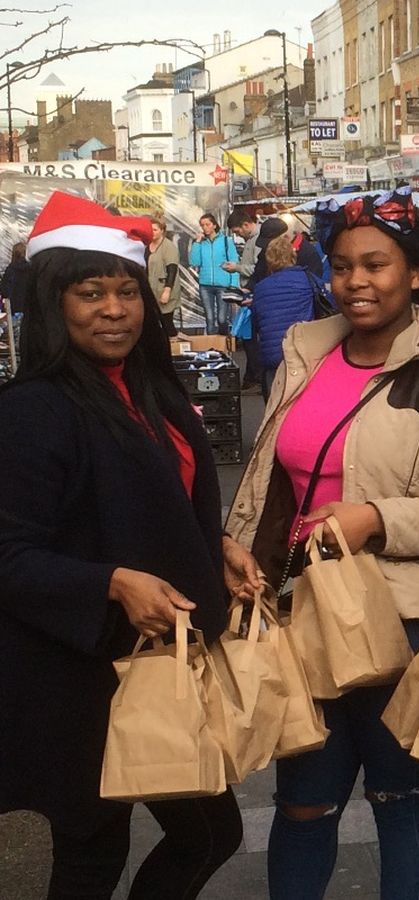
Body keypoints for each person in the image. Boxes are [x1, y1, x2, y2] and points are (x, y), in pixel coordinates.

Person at [223, 186, 419, 900]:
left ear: (414, 274)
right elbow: (269, 474)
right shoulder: (303, 357)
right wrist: (235, 542)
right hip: (300, 604)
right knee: (303, 800)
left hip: (397, 615)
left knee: (400, 796)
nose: (356, 282)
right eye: (342, 267)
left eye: (376, 265)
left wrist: (376, 517)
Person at [0, 191, 243, 899]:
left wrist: (216, 542)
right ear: (55, 303)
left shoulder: (149, 389)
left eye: (126, 291)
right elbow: (10, 554)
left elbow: (150, 500)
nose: (114, 310)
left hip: (153, 666)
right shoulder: (33, 410)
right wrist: (110, 582)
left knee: (207, 834)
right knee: (94, 851)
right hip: (76, 678)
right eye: (90, 294)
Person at [252, 232, 327, 399]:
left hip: (273, 357)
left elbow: (256, 323)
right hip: (302, 353)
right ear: (293, 256)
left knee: (275, 404)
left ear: (269, 260)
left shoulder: (260, 287)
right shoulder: (308, 279)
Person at [224, 210, 264, 391]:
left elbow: (257, 268)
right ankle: (252, 376)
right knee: (248, 337)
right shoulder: (251, 240)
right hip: (248, 291)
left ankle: (255, 377)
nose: (238, 235)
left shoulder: (258, 241)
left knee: (251, 338)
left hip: (253, 293)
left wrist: (237, 268)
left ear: (246, 225)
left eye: (237, 231)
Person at [187, 211, 239, 334]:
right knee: (209, 319)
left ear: (214, 225)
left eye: (207, 224)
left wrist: (233, 284)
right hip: (205, 285)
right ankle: (212, 344)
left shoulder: (226, 241)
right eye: (202, 225)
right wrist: (197, 242)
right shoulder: (201, 243)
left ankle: (223, 341)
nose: (205, 227)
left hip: (223, 284)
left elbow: (234, 262)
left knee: (222, 319)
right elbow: (194, 262)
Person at [146, 216, 182, 338]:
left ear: (162, 230)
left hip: (164, 289)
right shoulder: (146, 245)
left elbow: (172, 269)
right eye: (150, 230)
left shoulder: (168, 246)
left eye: (155, 230)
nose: (152, 232)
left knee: (166, 322)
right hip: (150, 289)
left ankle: (172, 344)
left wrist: (167, 291)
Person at [0, 240, 30, 346]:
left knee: (13, 337)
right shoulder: (31, 270)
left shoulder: (11, 269)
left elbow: (5, 290)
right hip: (27, 307)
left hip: (13, 308)